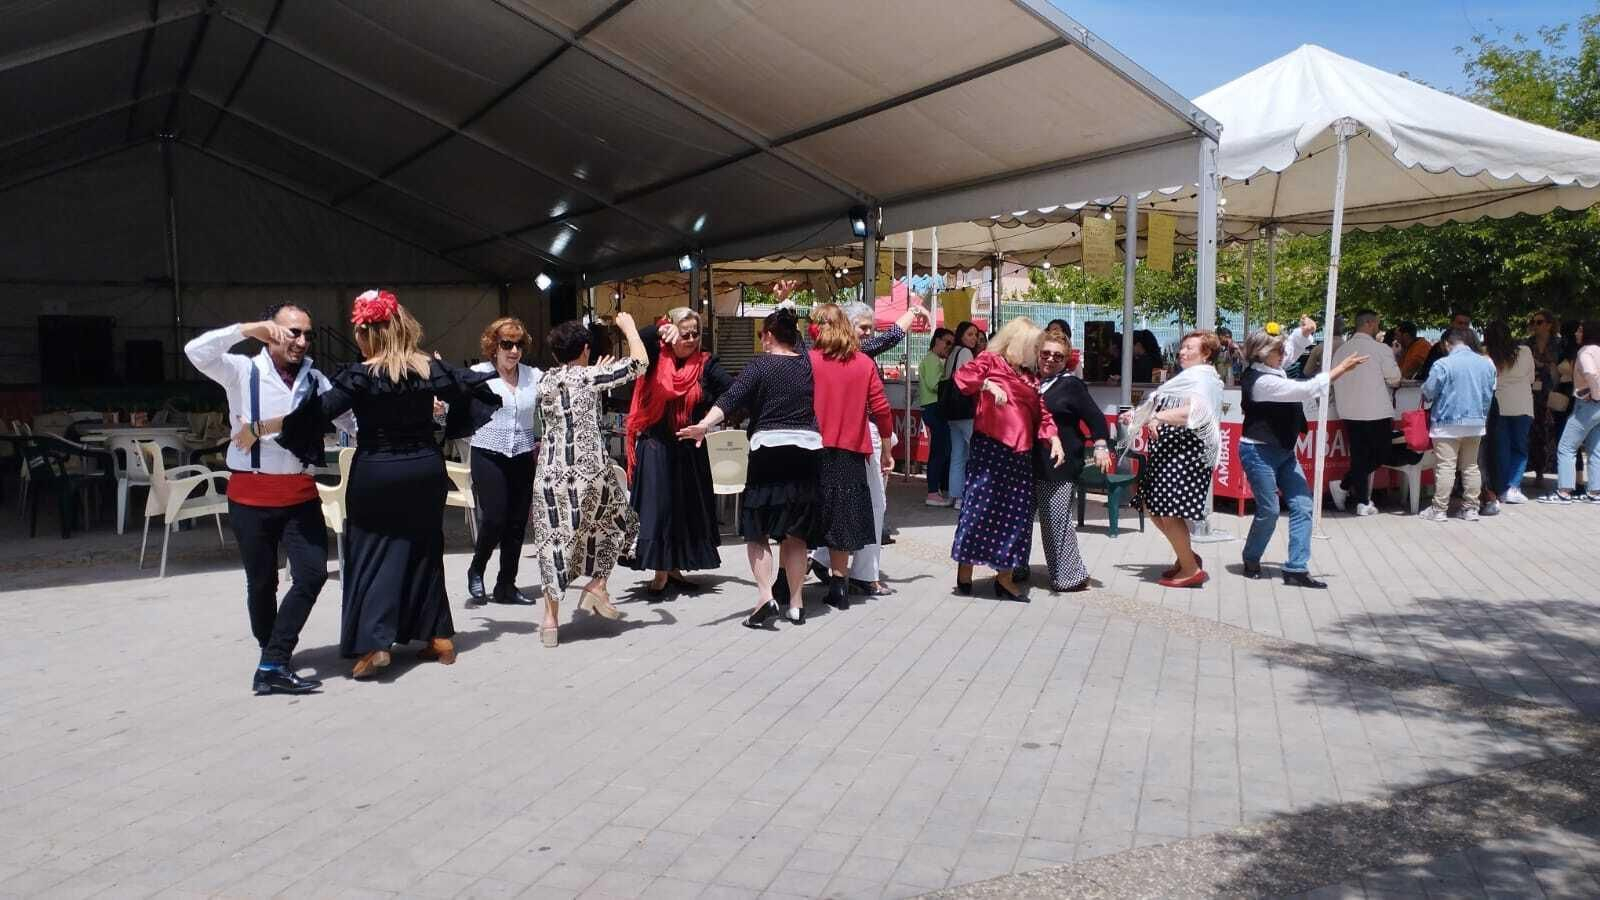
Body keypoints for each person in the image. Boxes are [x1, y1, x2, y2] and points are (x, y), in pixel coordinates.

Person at [243, 291, 501, 678]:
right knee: (427, 550)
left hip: (376, 472)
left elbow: (317, 413)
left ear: (367, 333)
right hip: (426, 469)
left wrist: (270, 430)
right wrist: (444, 420)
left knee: (373, 553)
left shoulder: (361, 375)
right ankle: (439, 637)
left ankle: (376, 643)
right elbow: (477, 389)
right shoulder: (428, 368)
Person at [185, 304, 355, 695]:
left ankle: (274, 658)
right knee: (261, 583)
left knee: (311, 574)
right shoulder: (243, 371)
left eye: (306, 333)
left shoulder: (315, 378)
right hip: (251, 492)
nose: (301, 341)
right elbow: (196, 352)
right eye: (293, 332)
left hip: (298, 493)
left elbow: (348, 418)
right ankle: (271, 652)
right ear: (272, 332)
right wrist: (246, 328)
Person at [679, 308, 817, 627]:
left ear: (768, 336)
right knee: (796, 534)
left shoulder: (760, 365)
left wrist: (702, 425)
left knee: (757, 531)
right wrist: (787, 306)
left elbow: (731, 398)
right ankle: (796, 604)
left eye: (762, 336)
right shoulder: (805, 363)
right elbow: (804, 344)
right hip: (806, 450)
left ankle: (765, 596)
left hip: (768, 450)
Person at [529, 313, 649, 646]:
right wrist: (628, 328)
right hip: (588, 470)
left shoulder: (545, 381)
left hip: (550, 475)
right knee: (622, 523)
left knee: (554, 542)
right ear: (585, 348)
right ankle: (597, 584)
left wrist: (595, 371)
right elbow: (640, 363)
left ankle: (550, 621)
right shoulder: (590, 376)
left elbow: (574, 380)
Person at [807, 300, 925, 596]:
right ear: (846, 325)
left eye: (871, 329)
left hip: (830, 440)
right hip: (858, 438)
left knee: (840, 505)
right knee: (871, 505)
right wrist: (886, 447)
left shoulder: (817, 357)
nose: (869, 335)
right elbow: (881, 408)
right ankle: (858, 572)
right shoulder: (859, 359)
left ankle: (824, 559)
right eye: (863, 328)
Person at [1238, 323, 1368, 588]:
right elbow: (1305, 390)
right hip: (1258, 450)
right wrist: (1339, 369)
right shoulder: (1261, 381)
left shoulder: (1271, 366)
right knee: (1270, 510)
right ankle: (1251, 558)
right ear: (1263, 354)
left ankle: (1296, 568)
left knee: (1303, 505)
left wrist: (1304, 331)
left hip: (1284, 450)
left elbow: (1292, 351)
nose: (1283, 354)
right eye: (1277, 350)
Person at [951, 318, 1064, 599]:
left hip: (1019, 454)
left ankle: (1005, 576)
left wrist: (1054, 437)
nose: (1037, 351)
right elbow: (962, 379)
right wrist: (987, 384)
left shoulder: (1029, 376)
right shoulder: (990, 360)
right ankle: (965, 571)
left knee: (1016, 518)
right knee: (979, 510)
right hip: (990, 448)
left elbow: (1042, 414)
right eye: (1035, 345)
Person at [626, 307, 732, 597]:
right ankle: (660, 570)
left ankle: (673, 568)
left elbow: (734, 391)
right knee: (659, 510)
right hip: (657, 448)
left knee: (684, 511)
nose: (691, 339)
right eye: (684, 333)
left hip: (689, 451)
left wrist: (709, 419)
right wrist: (660, 327)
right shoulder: (655, 358)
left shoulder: (706, 364)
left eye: (696, 334)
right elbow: (638, 340)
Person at [1120, 332, 1225, 588]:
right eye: (1182, 347)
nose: (1182, 352)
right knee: (1152, 505)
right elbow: (1163, 408)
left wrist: (1155, 418)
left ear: (1206, 353)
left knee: (1168, 511)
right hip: (1169, 452)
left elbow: (1195, 412)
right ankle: (1186, 555)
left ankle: (1190, 569)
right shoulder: (1188, 378)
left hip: (1185, 455)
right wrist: (1142, 415)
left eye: (1190, 348)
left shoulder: (1204, 379)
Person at [465, 317, 541, 607]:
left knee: (517, 523)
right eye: (507, 344)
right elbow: (450, 398)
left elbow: (561, 385)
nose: (513, 351)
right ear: (493, 346)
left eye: (518, 345)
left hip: (522, 454)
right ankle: (477, 568)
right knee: (495, 518)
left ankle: (506, 585)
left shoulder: (533, 375)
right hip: (488, 452)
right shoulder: (479, 374)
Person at [1030, 331, 1111, 592]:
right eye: (1046, 353)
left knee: (1055, 520)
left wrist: (1100, 445)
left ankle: (1071, 575)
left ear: (1066, 360)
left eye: (1058, 356)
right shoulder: (1031, 381)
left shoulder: (1070, 385)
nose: (1050, 359)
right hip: (1029, 460)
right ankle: (1015, 568)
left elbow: (1096, 418)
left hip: (1059, 463)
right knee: (1023, 519)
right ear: (1037, 353)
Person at [1418, 327, 1497, 522]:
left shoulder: (1442, 364)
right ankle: (1470, 508)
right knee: (1471, 466)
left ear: (1447, 343)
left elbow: (1429, 391)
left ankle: (1439, 509)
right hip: (1476, 422)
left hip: (1446, 422)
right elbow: (1489, 395)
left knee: (1445, 466)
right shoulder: (1486, 364)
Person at [1329, 310, 1401, 516]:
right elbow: (1395, 378)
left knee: (1360, 456)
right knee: (1382, 453)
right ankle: (1353, 493)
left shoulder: (1341, 351)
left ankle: (1356, 495)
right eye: (1377, 323)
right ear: (1369, 324)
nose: (1378, 326)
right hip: (1376, 409)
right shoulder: (1381, 349)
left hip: (1349, 410)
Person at [1539, 321, 1600, 504]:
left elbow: (1591, 373)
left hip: (1588, 406)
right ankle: (1595, 492)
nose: (1576, 333)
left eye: (1580, 330)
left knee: (1566, 446)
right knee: (1595, 449)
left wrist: (1595, 394)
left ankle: (1564, 491)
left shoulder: (1585, 352)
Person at [1484, 320, 1535, 504]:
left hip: (1498, 405)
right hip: (1522, 404)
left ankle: (1501, 488)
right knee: (1520, 448)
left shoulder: (1487, 354)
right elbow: (1531, 378)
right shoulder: (1525, 351)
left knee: (1500, 449)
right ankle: (1514, 486)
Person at [944, 321, 981, 507]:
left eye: (975, 334)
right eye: (970, 334)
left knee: (957, 455)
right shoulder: (965, 353)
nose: (973, 338)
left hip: (951, 411)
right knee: (976, 451)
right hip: (965, 410)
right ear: (961, 335)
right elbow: (968, 381)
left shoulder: (953, 352)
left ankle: (955, 495)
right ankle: (972, 494)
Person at [920, 327, 956, 506]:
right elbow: (934, 385)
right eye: (947, 342)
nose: (949, 346)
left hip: (932, 408)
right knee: (940, 452)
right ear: (937, 340)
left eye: (952, 343)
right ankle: (933, 491)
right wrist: (951, 380)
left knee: (942, 450)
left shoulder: (933, 360)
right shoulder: (933, 361)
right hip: (934, 407)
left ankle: (938, 489)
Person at [1527, 309, 1563, 488]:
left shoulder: (1558, 343)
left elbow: (1563, 367)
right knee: (1532, 432)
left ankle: (1545, 471)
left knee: (1549, 431)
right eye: (1533, 322)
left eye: (1539, 322)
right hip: (1531, 393)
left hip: (1551, 391)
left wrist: (1547, 365)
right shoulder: (1528, 343)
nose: (1535, 325)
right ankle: (1535, 471)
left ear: (1549, 324)